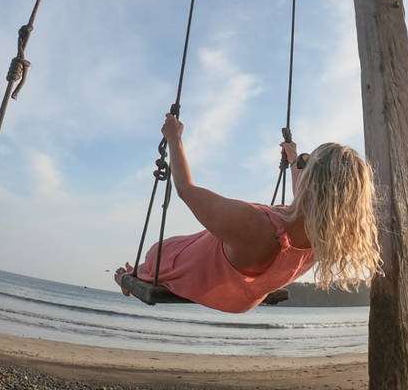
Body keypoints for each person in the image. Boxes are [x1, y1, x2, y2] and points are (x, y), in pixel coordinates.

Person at [114, 113, 380, 312]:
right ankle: (136, 272)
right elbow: (309, 197)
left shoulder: (254, 225)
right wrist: (293, 160)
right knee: (170, 254)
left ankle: (128, 276)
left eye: (306, 164)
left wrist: (174, 138)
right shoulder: (324, 237)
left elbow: (185, 188)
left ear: (312, 183)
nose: (302, 166)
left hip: (202, 277)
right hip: (242, 296)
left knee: (159, 252)